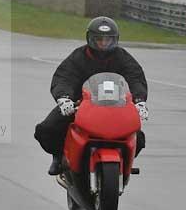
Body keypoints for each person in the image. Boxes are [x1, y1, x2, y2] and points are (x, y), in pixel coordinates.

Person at [34, 16, 149, 175]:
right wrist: (64, 98)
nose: (103, 43)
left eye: (108, 40)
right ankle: (59, 157)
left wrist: (139, 101)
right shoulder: (79, 56)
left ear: (115, 40)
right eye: (99, 39)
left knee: (138, 137)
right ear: (90, 38)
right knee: (47, 129)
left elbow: (135, 78)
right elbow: (64, 77)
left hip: (116, 107)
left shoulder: (123, 57)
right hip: (80, 105)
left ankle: (123, 161)